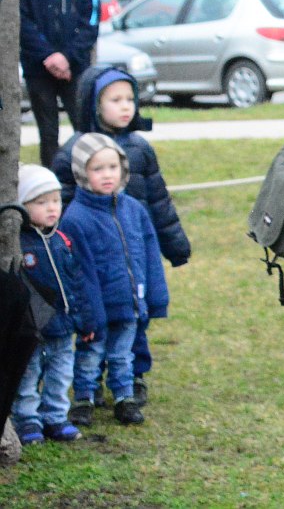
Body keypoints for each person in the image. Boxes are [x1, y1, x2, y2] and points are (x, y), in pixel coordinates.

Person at [53, 64, 190, 407]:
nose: (126, 106)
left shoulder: (140, 148)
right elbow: (61, 206)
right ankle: (90, 383)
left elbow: (158, 200)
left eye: (130, 98)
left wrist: (175, 245)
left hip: (132, 250)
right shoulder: (73, 152)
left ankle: (134, 377)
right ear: (93, 104)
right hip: (93, 256)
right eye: (115, 100)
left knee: (134, 321)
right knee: (95, 320)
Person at [60, 134, 166, 429]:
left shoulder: (134, 209)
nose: (107, 175)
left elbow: (149, 254)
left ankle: (124, 397)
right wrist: (89, 314)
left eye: (112, 167)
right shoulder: (76, 218)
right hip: (96, 308)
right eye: (97, 169)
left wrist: (155, 297)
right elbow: (80, 273)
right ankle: (84, 398)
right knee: (90, 355)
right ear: (82, 173)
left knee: (123, 355)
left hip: (129, 302)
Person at [12, 164, 103, 446]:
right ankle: (27, 419)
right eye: (41, 203)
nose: (52, 208)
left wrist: (85, 321)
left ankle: (55, 417)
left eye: (55, 200)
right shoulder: (18, 245)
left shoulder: (62, 240)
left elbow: (77, 284)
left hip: (64, 328)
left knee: (60, 374)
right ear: (22, 206)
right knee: (28, 376)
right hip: (33, 330)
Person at [20, 0, 100, 168]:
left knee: (84, 129)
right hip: (38, 68)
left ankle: (87, 181)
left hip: (75, 68)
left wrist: (67, 57)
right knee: (48, 134)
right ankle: (53, 186)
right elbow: (22, 20)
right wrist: (49, 56)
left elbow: (91, 20)